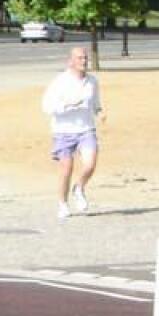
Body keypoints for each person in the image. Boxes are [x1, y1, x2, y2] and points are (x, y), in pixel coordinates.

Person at [41, 46, 102, 219]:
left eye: (85, 58)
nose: (84, 61)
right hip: (63, 130)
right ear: (71, 61)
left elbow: (96, 102)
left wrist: (100, 111)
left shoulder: (92, 81)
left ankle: (79, 187)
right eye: (80, 58)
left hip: (86, 128)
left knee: (90, 164)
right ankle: (62, 203)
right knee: (66, 168)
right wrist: (68, 104)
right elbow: (46, 107)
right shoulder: (60, 81)